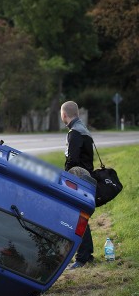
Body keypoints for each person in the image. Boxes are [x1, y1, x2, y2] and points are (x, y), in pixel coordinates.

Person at [61, 100, 95, 269]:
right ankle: (86, 255)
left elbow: (72, 161)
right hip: (86, 178)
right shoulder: (84, 130)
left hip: (77, 180)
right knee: (80, 217)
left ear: (64, 115)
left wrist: (64, 178)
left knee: (77, 217)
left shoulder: (74, 133)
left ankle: (82, 258)